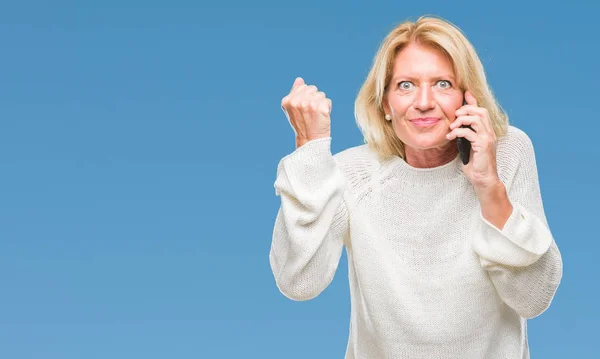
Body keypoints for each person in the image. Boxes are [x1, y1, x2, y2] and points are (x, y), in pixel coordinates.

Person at [269, 15, 562, 359]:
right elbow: (298, 281)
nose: (423, 102)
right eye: (405, 85)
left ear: (469, 99)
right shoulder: (352, 174)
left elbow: (534, 297)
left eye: (443, 84)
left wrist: (487, 184)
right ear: (385, 105)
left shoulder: (507, 152)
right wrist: (310, 149)